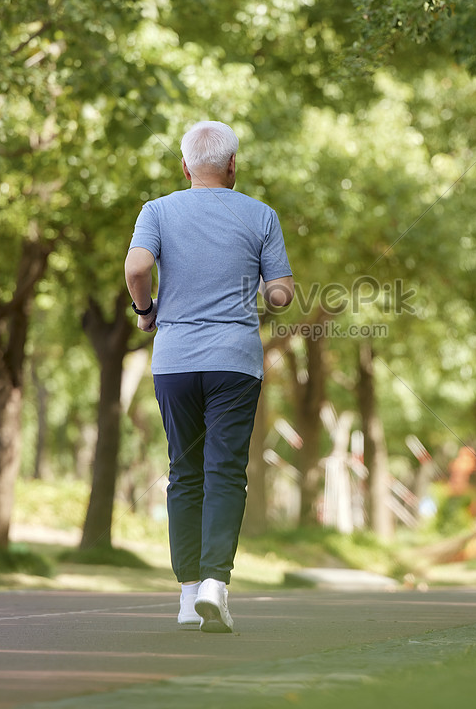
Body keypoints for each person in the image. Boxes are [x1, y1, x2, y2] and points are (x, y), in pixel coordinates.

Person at [125, 120, 294, 633]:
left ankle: (187, 594)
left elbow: (136, 268)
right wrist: (265, 292)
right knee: (225, 469)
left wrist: (145, 309)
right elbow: (281, 294)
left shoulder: (157, 211)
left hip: (175, 361)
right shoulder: (260, 215)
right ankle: (216, 586)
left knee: (185, 470)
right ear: (232, 165)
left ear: (184, 167)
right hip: (234, 362)